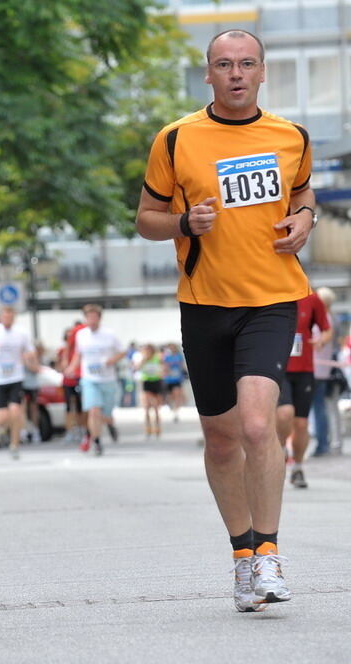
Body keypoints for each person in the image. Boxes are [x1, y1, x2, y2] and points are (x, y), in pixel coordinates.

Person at [136, 29, 316, 611]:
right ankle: (241, 556)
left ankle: (268, 552)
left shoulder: (291, 137)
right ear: (207, 74)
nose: (236, 73)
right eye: (223, 64)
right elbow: (146, 218)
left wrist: (306, 216)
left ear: (263, 73)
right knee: (220, 439)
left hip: (271, 298)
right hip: (205, 304)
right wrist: (185, 224)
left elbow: (302, 193)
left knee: (260, 426)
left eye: (246, 64)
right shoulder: (176, 138)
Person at [276, 292, 331, 488]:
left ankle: (298, 467)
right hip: (278, 368)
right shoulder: (271, 294)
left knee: (301, 424)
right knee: (284, 413)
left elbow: (326, 328)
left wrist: (322, 340)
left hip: (304, 370)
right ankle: (280, 451)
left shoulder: (311, 298)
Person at [66, 304, 123, 456]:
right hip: (89, 378)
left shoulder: (109, 334)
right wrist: (71, 367)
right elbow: (78, 355)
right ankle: (96, 441)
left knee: (106, 414)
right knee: (93, 411)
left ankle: (110, 424)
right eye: (88, 317)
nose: (91, 320)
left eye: (94, 317)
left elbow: (122, 351)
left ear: (99, 318)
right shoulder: (81, 335)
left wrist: (112, 360)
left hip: (107, 379)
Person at [0, 306, 37, 460]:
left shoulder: (21, 333)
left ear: (14, 317)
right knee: (2, 416)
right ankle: (0, 430)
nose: (7, 319)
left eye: (10, 317)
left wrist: (27, 356)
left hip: (15, 377)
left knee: (16, 411)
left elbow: (31, 351)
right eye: (5, 316)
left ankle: (14, 445)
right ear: (1, 317)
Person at [312, 287, 340, 456]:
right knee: (323, 406)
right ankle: (325, 442)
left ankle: (322, 443)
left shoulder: (324, 319)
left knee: (319, 407)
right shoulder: (333, 318)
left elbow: (317, 342)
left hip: (316, 368)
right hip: (323, 368)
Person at [57, 324, 86, 444]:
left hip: (79, 379)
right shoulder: (62, 351)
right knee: (69, 407)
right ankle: (70, 431)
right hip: (67, 381)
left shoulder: (81, 349)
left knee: (81, 407)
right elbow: (59, 366)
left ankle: (82, 429)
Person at [137, 344, 165, 438]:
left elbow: (164, 367)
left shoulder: (158, 358)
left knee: (156, 407)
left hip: (156, 382)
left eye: (149, 350)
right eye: (146, 350)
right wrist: (143, 361)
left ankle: (157, 427)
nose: (147, 352)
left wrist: (162, 373)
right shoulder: (143, 359)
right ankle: (148, 428)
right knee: (147, 407)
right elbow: (136, 368)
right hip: (147, 382)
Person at [162, 343, 187, 421]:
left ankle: (176, 413)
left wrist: (184, 373)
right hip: (169, 380)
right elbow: (164, 367)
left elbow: (181, 366)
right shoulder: (166, 357)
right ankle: (171, 407)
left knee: (177, 396)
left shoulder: (179, 356)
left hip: (177, 379)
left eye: (173, 348)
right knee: (170, 397)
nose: (171, 349)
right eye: (170, 348)